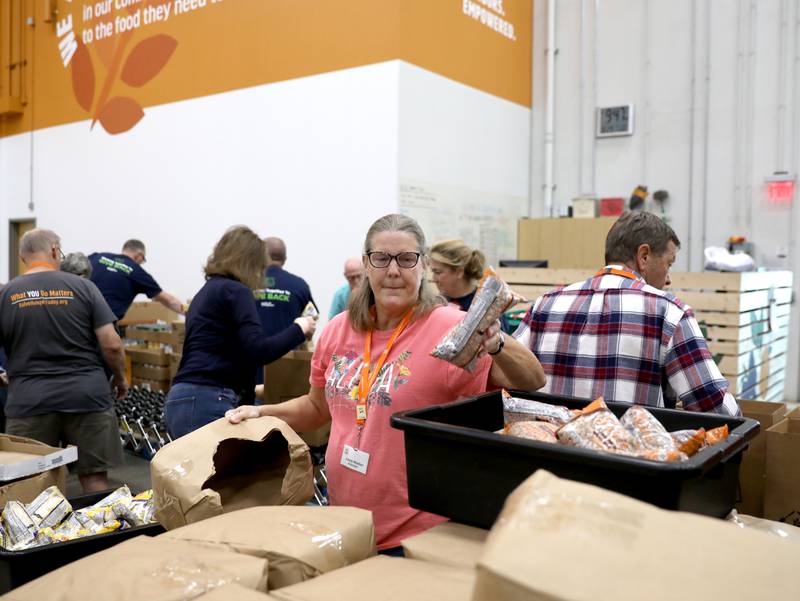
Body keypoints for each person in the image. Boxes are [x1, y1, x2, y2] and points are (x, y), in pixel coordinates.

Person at [227, 214, 546, 552]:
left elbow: (532, 380)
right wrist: (264, 413)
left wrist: (496, 342)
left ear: (422, 266)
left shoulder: (449, 327)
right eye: (381, 258)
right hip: (345, 525)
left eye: (406, 259)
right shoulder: (338, 329)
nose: (393, 271)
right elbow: (316, 408)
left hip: (418, 533)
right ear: (367, 264)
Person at [514, 211, 740, 416]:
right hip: (628, 460)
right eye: (669, 264)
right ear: (644, 256)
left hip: (547, 456)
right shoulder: (669, 313)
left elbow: (506, 375)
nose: (669, 278)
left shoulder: (544, 304)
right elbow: (719, 412)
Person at [0, 229, 128, 492]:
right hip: (86, 396)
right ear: (56, 251)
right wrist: (120, 378)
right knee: (94, 478)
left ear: (23, 257)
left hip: (29, 400)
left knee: (31, 484)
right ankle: (100, 531)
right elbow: (112, 344)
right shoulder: (84, 288)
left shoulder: (7, 293)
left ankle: (39, 533)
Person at [165, 226, 317, 438]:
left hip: (180, 398)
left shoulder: (205, 293)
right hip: (211, 399)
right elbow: (258, 350)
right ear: (251, 262)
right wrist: (299, 328)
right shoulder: (237, 291)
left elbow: (219, 353)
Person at [89, 239, 184, 321]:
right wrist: (190, 313)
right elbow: (168, 300)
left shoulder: (97, 257)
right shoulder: (137, 272)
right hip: (101, 326)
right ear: (139, 256)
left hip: (78, 316)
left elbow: (75, 272)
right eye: (143, 260)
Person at [429, 239, 486, 311]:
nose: (433, 279)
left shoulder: (484, 307)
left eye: (438, 272)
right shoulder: (436, 305)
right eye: (433, 272)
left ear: (459, 271)